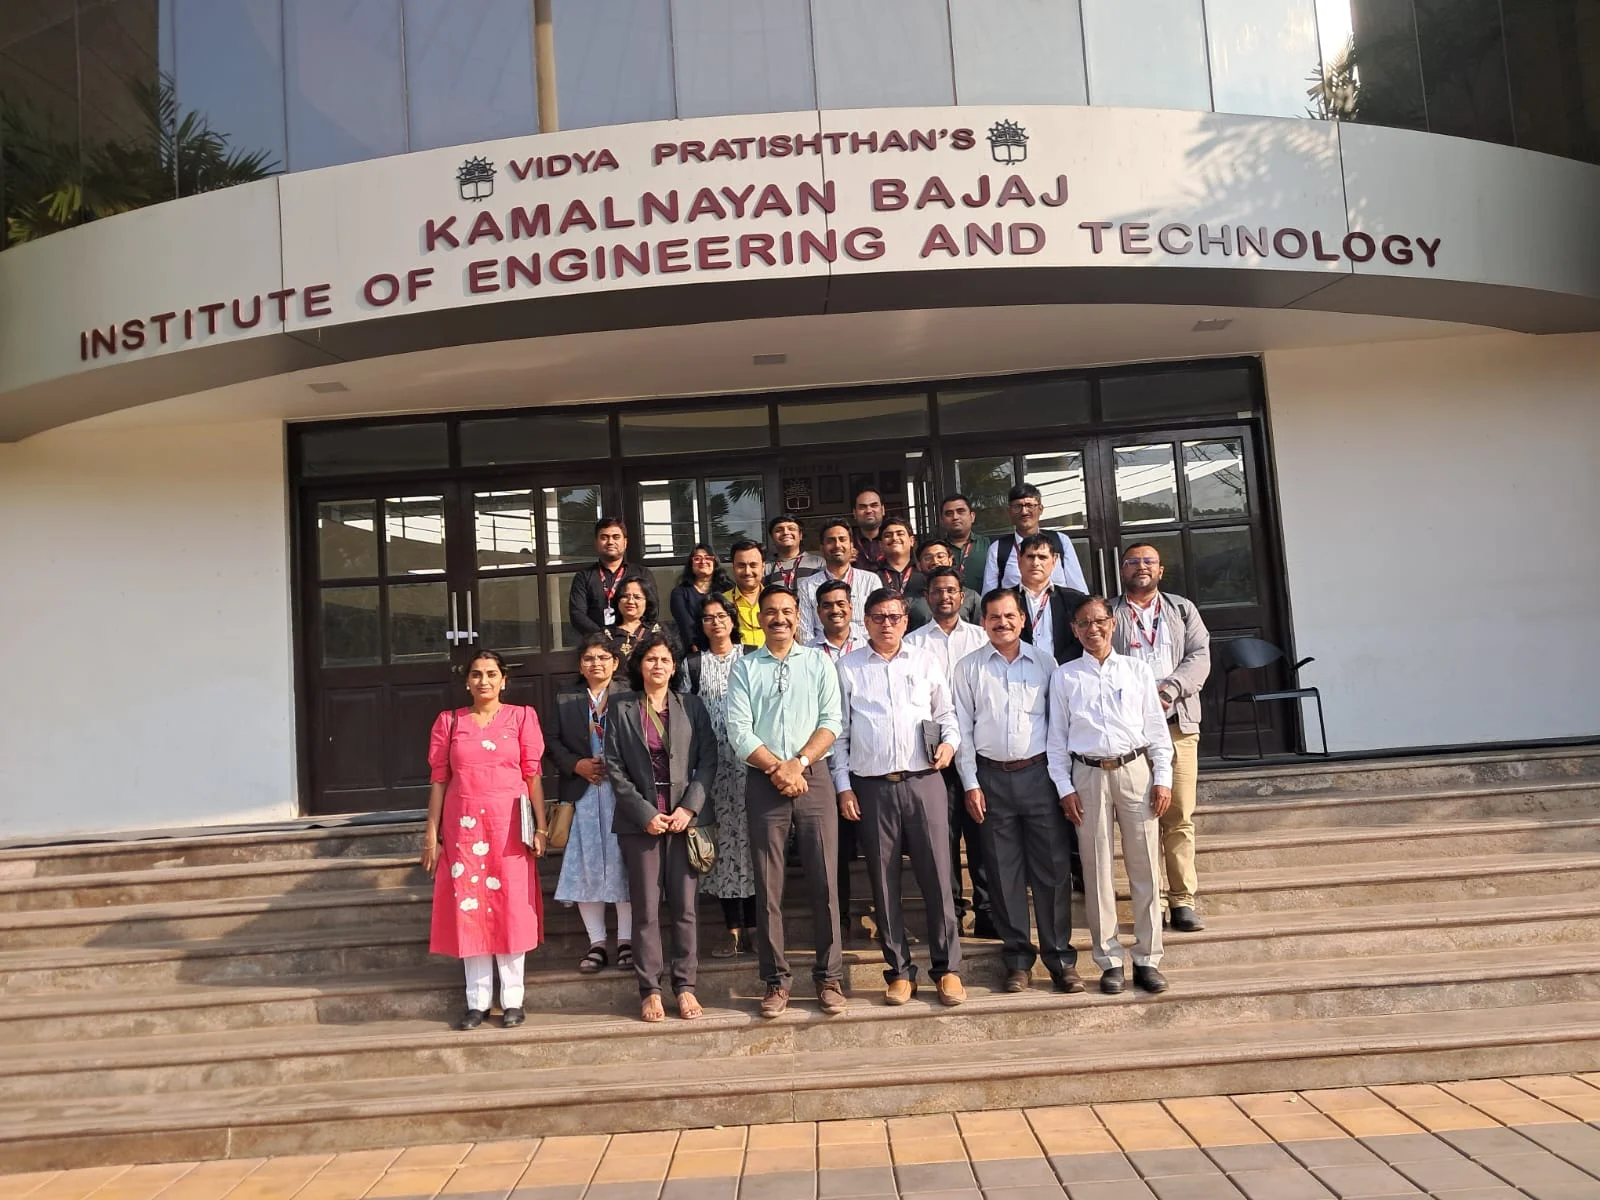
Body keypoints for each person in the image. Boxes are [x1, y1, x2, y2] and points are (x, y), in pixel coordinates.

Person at [835, 589, 966, 1008]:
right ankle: (899, 972)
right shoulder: (848, 667)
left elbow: (946, 715)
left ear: (906, 621)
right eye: (878, 617)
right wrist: (843, 786)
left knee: (938, 878)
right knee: (883, 881)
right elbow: (839, 733)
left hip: (924, 781)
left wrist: (949, 745)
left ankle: (947, 969)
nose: (887, 624)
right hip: (872, 787)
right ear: (865, 621)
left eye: (894, 617)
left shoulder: (925, 661)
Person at [725, 584, 847, 1019]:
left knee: (825, 881)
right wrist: (778, 768)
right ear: (759, 619)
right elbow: (739, 731)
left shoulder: (817, 662)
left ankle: (829, 977)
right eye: (771, 612)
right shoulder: (745, 667)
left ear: (798, 617)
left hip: (813, 777)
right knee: (768, 885)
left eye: (787, 611)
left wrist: (798, 763)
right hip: (764, 780)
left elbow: (832, 721)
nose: (779, 618)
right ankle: (776, 980)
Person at [954, 590, 1082, 994]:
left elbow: (1059, 727)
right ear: (983, 622)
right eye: (994, 617)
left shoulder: (1045, 663)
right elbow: (962, 730)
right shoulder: (968, 668)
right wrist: (971, 783)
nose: (1002, 623)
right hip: (991, 780)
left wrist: (1062, 782)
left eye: (1010, 616)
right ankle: (1017, 961)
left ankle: (1060, 959)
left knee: (1052, 871)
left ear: (1023, 620)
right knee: (1002, 872)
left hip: (1039, 776)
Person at [1047, 595, 1175, 996]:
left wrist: (1163, 778)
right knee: (1097, 869)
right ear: (1074, 630)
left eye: (1099, 621)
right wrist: (1064, 787)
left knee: (1145, 867)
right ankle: (1110, 960)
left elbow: (1157, 730)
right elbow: (1056, 740)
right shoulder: (1065, 676)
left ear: (1113, 623)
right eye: (1084, 624)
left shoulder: (1137, 670)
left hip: (1135, 770)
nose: (1093, 629)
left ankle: (1148, 958)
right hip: (1087, 774)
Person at [422, 650, 548, 1031]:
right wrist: (431, 833)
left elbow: (533, 777)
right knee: (470, 907)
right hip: (463, 830)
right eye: (476, 674)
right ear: (467, 681)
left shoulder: (522, 717)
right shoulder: (449, 722)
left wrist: (541, 827)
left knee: (511, 907)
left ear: (504, 680)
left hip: (509, 829)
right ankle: (476, 1002)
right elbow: (439, 780)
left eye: (492, 674)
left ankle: (513, 1000)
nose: (484, 681)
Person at [604, 632, 719, 1023]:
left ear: (674, 667)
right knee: (646, 910)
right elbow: (614, 767)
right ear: (640, 665)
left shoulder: (691, 706)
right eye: (651, 659)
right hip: (642, 825)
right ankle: (650, 990)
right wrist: (644, 813)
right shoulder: (621, 707)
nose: (658, 665)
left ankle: (685, 986)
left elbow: (708, 761)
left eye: (665, 659)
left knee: (685, 909)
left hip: (685, 824)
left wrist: (689, 808)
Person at [1111, 543, 1212, 933]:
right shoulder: (1110, 614)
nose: (1141, 567)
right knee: (1141, 820)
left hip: (1177, 727)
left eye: (1148, 561)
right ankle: (1150, 901)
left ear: (1160, 570)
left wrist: (1169, 690)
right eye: (1133, 562)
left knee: (1179, 816)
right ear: (1122, 570)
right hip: (1132, 735)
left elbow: (1199, 656)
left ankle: (1183, 900)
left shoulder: (1182, 610)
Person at [905, 565, 993, 940]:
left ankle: (987, 911)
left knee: (982, 833)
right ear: (927, 597)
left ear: (962, 596)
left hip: (978, 747)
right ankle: (952, 912)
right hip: (934, 752)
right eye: (937, 591)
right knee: (943, 836)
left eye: (951, 590)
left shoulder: (981, 638)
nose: (944, 597)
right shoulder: (912, 643)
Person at [549, 634, 633, 975]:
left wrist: (616, 766)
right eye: (588, 658)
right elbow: (551, 741)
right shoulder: (566, 697)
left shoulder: (629, 694)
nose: (595, 663)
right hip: (582, 792)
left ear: (615, 662)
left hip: (621, 792)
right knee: (586, 866)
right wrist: (576, 764)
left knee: (624, 864)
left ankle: (627, 941)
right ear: (580, 665)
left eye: (602, 657)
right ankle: (597, 943)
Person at [679, 594, 757, 958]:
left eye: (722, 615)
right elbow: (685, 716)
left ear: (732, 619)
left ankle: (757, 927)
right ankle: (733, 930)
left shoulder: (752, 656)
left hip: (753, 764)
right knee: (722, 846)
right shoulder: (692, 665)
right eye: (708, 617)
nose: (716, 622)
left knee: (754, 844)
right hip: (712, 769)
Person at [811, 577, 869, 941]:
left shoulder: (868, 644)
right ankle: (841, 918)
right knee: (835, 848)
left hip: (866, 759)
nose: (835, 610)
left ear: (852, 607)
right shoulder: (808, 653)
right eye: (827, 605)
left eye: (841, 604)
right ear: (818, 612)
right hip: (823, 760)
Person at [982, 483, 1090, 594]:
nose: (1024, 512)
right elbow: (988, 597)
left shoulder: (1061, 541)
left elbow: (1078, 591)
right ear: (1009, 512)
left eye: (1029, 505)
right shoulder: (997, 549)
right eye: (1017, 506)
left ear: (1040, 509)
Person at [569, 517, 659, 638]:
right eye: (604, 537)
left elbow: (652, 610)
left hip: (635, 642)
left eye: (616, 537)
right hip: (597, 643)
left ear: (625, 542)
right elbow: (577, 615)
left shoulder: (642, 574)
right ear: (596, 542)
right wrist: (602, 637)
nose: (610, 542)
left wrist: (633, 636)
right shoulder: (583, 577)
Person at [798, 521, 879, 645]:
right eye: (831, 541)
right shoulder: (807, 586)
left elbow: (877, 623)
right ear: (822, 548)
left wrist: (864, 652)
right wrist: (818, 655)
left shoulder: (870, 581)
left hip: (864, 652)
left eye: (842, 539)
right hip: (820, 653)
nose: (837, 545)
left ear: (851, 545)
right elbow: (805, 634)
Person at [1016, 534, 1090, 664]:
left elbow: (1082, 639)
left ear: (1054, 560)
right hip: (1018, 671)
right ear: (1019, 559)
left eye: (1042, 557)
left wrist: (1058, 668)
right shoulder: (1005, 600)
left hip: (1064, 671)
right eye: (1030, 556)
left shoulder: (1075, 600)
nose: (1036, 563)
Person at [670, 543, 731, 653]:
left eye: (708, 558)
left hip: (727, 647)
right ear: (691, 564)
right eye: (697, 558)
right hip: (696, 651)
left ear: (714, 562)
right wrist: (698, 654)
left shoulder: (727, 588)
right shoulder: (679, 593)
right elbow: (686, 626)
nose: (703, 562)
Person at [908, 539, 981, 629]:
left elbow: (983, 630)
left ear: (950, 560)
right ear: (919, 565)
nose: (935, 561)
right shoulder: (910, 599)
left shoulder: (971, 597)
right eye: (928, 558)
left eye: (940, 556)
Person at [939, 493, 991, 594]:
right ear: (942, 521)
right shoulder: (937, 551)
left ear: (972, 517)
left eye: (960, 511)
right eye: (949, 513)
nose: (955, 517)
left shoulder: (989, 545)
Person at [604, 577, 663, 662]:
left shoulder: (658, 632)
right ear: (618, 601)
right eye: (625, 596)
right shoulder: (606, 634)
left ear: (647, 602)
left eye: (637, 597)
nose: (630, 601)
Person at [726, 539, 767, 649]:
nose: (747, 572)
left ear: (763, 566)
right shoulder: (722, 603)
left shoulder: (776, 601)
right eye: (741, 566)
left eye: (753, 565)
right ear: (733, 567)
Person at [765, 516, 825, 589]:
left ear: (800, 535)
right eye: (779, 530)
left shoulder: (818, 563)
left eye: (791, 529)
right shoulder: (765, 567)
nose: (785, 532)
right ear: (772, 537)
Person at [874, 517, 918, 595]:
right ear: (880, 545)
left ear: (911, 541)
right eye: (888, 535)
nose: (894, 538)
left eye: (900, 534)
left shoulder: (922, 571)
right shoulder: (873, 575)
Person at [851, 487, 887, 571]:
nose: (868, 510)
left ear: (883, 510)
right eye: (862, 507)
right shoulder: (846, 541)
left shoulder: (894, 539)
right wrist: (842, 562)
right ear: (854, 513)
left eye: (874, 505)